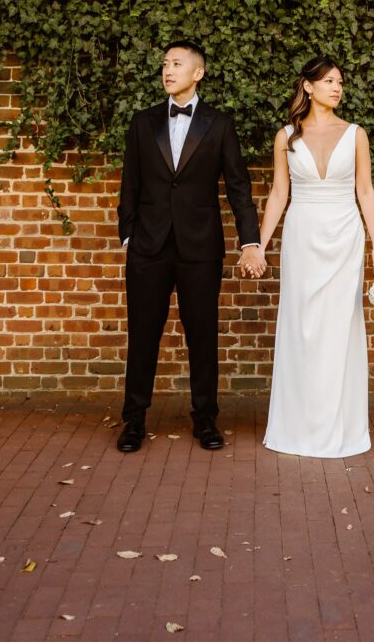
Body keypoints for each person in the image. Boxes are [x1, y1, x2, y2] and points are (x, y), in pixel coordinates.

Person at [116, 40, 266, 453]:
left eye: (177, 64)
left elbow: (238, 187)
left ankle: (205, 419)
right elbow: (130, 183)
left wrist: (250, 242)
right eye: (165, 64)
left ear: (197, 73)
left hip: (201, 248)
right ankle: (133, 420)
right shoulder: (142, 122)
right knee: (142, 335)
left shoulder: (220, 124)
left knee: (202, 335)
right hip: (148, 247)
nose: (168, 70)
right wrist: (129, 235)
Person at [258, 56, 374, 458]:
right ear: (308, 86)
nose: (337, 88)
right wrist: (259, 245)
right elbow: (279, 193)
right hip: (301, 237)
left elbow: (365, 191)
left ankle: (339, 425)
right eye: (329, 81)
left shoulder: (355, 134)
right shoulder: (286, 136)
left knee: (337, 329)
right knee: (301, 327)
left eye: (340, 82)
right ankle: (298, 425)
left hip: (344, 237)